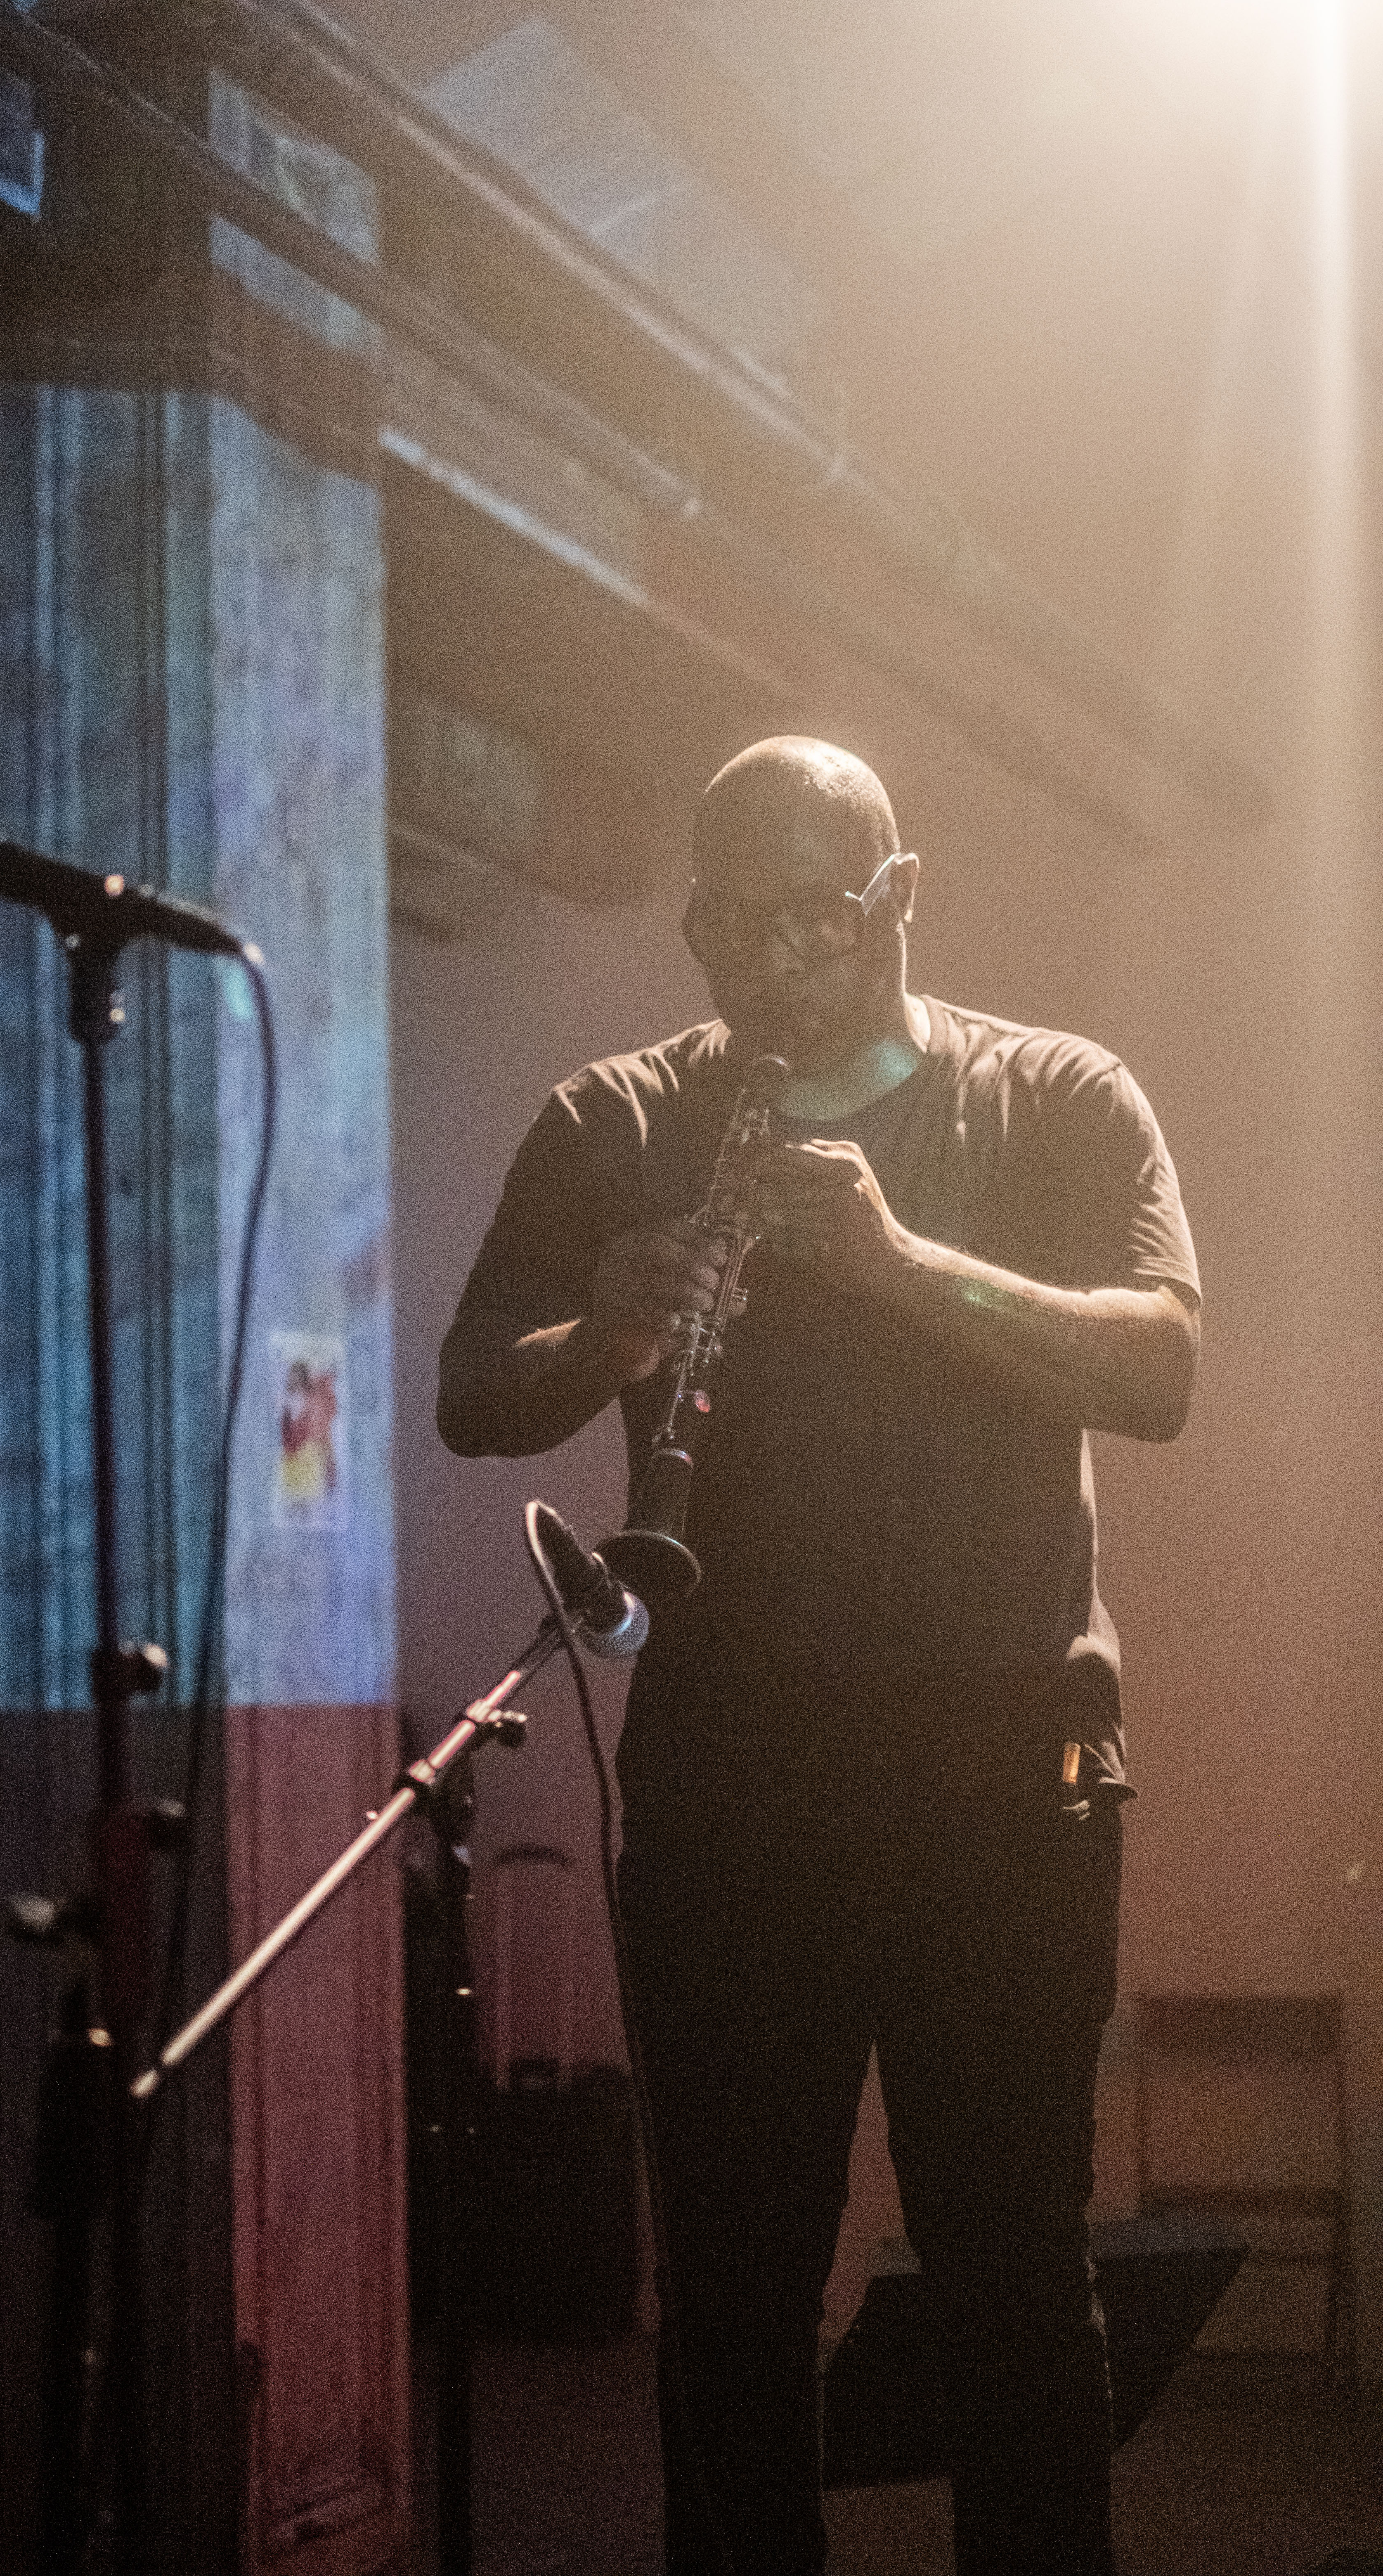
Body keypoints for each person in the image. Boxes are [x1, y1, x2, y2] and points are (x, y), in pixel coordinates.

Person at [437, 737, 1200, 2576]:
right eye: (730, 929)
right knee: (729, 2295)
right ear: (689, 917)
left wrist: (892, 1259)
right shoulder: (614, 1119)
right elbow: (477, 1396)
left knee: (1013, 2276)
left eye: (815, 925)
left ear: (897, 897)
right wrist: (606, 1333)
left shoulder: (1057, 1096)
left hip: (1006, 1786)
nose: (771, 968)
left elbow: (1157, 1370)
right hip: (728, 1789)